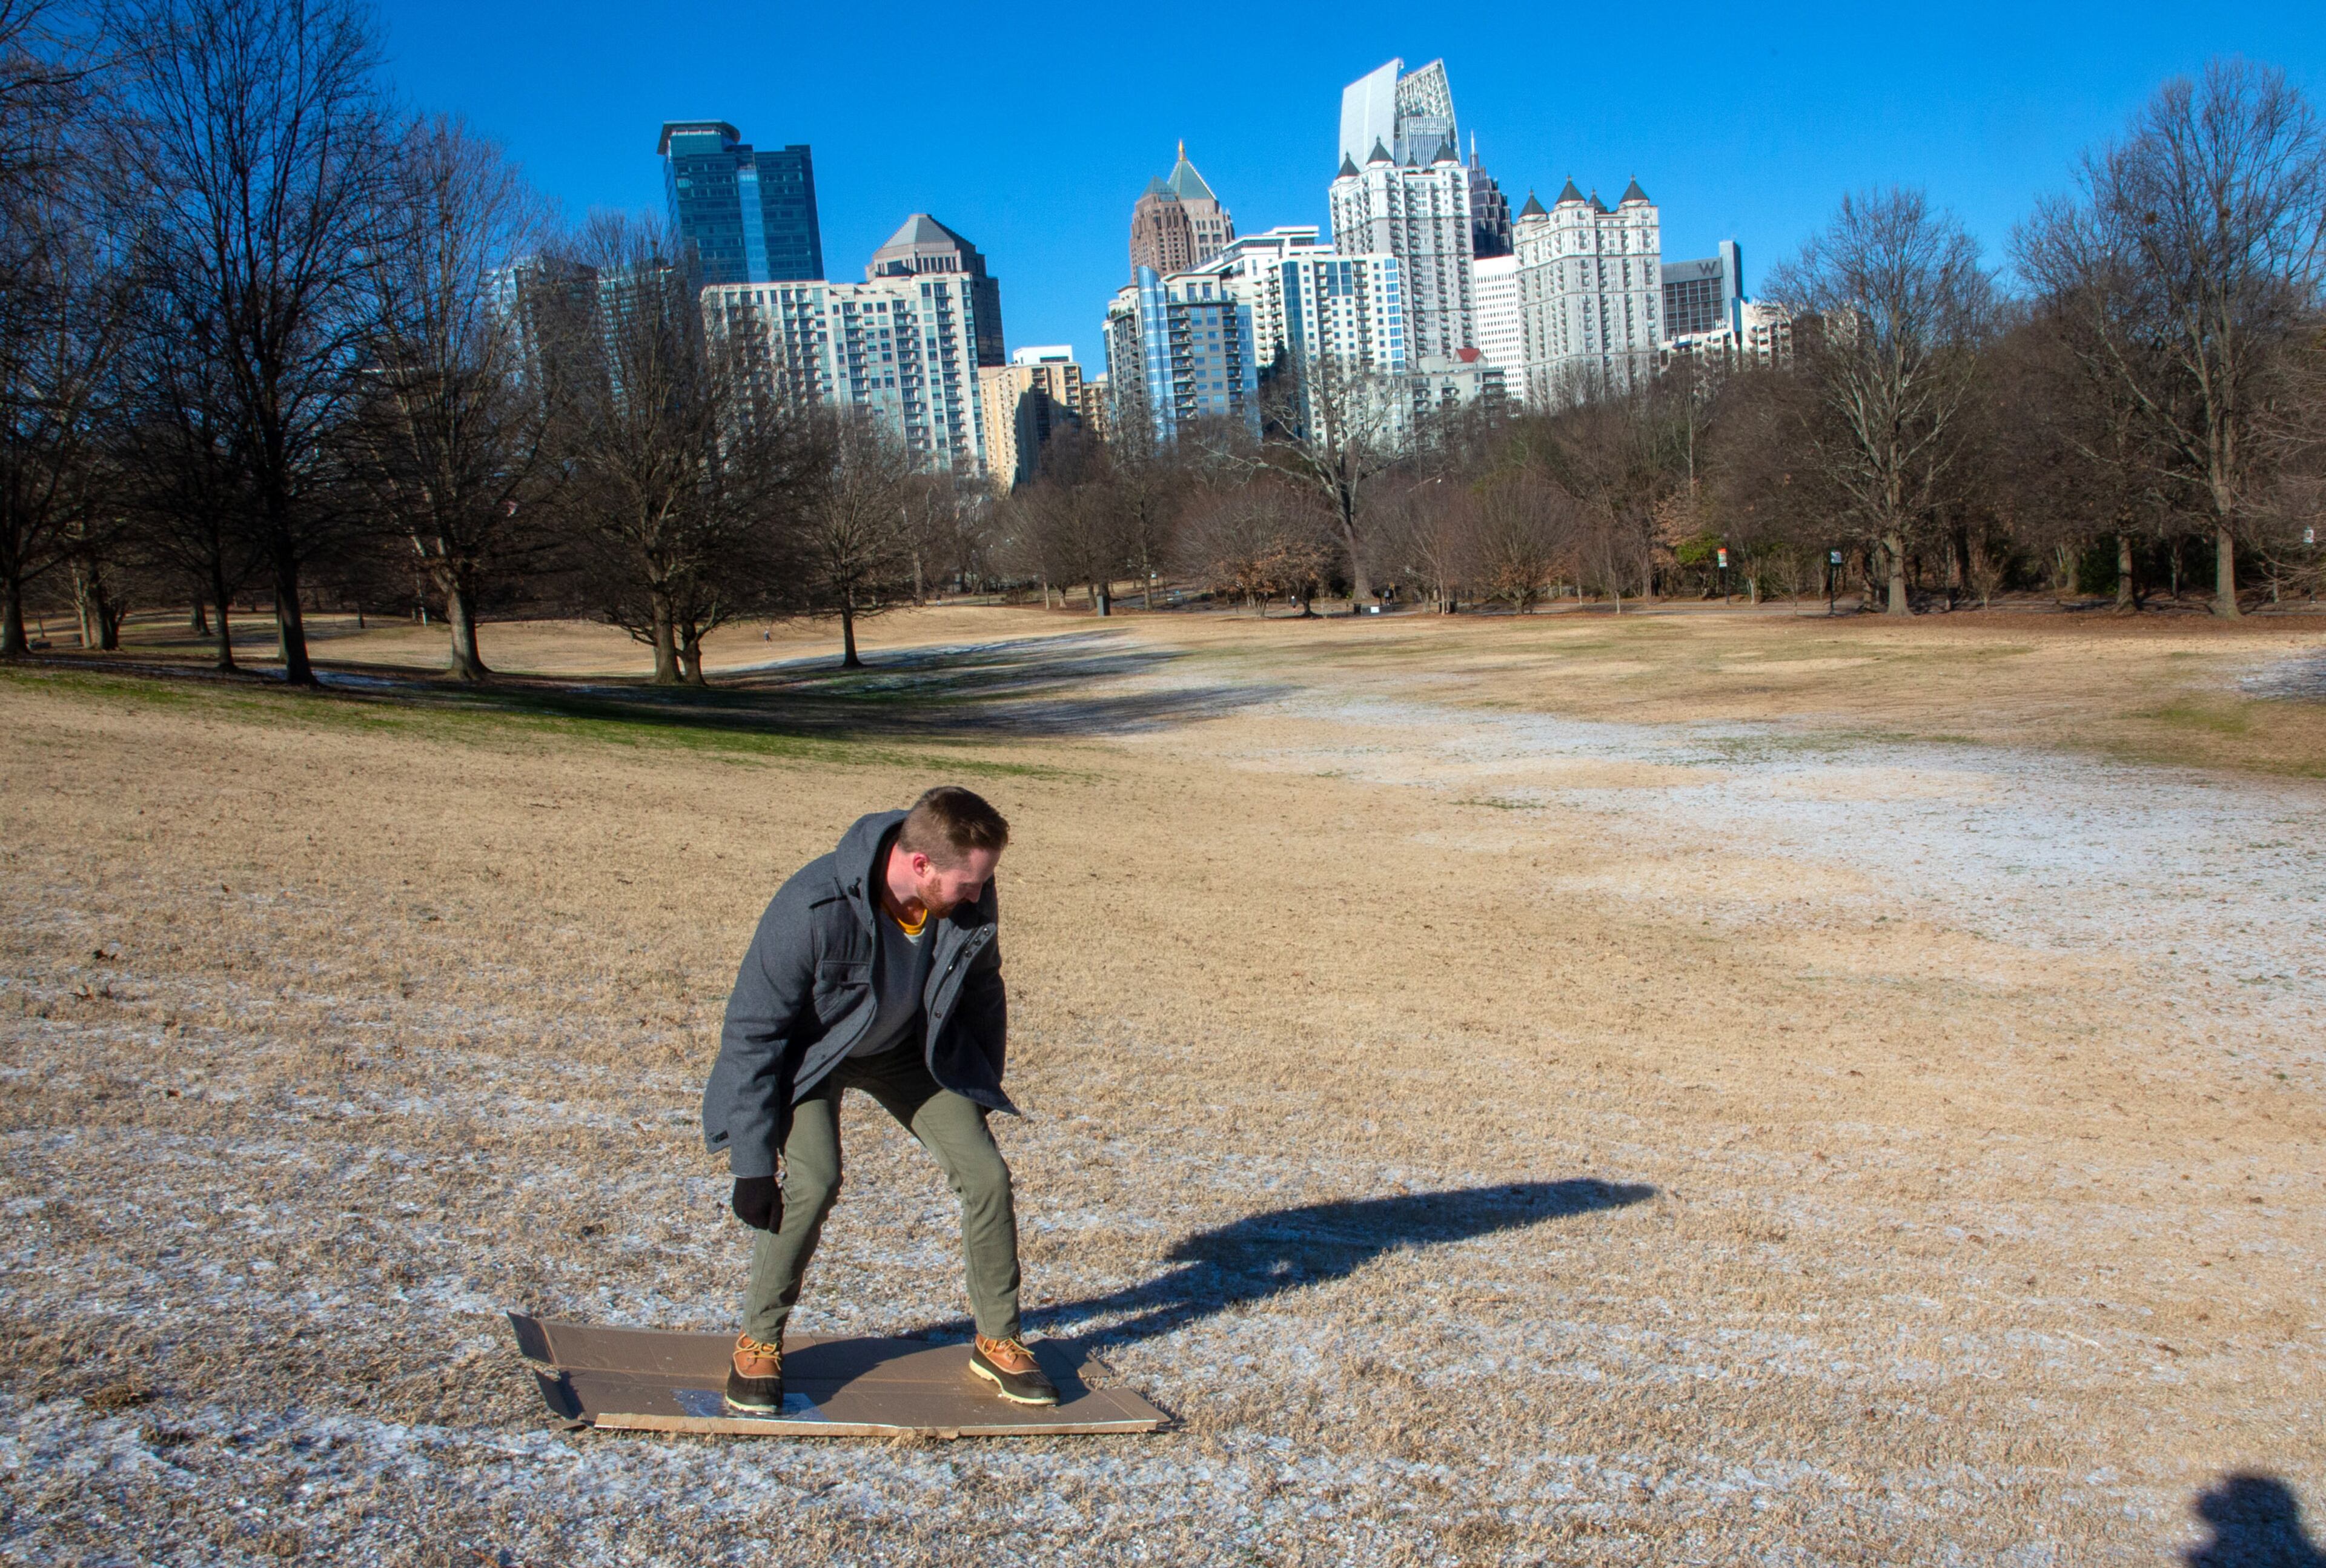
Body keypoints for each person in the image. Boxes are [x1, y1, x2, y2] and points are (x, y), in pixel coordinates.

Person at [700, 786, 1057, 1412]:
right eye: (967, 885)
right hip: (816, 1056)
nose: (978, 896)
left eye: (983, 884)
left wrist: (976, 1081)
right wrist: (752, 1165)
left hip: (905, 1051)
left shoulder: (968, 890)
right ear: (920, 865)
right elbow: (754, 1034)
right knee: (815, 1179)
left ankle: (998, 1340)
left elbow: (982, 986)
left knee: (986, 1175)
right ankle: (758, 1342)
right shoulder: (809, 906)